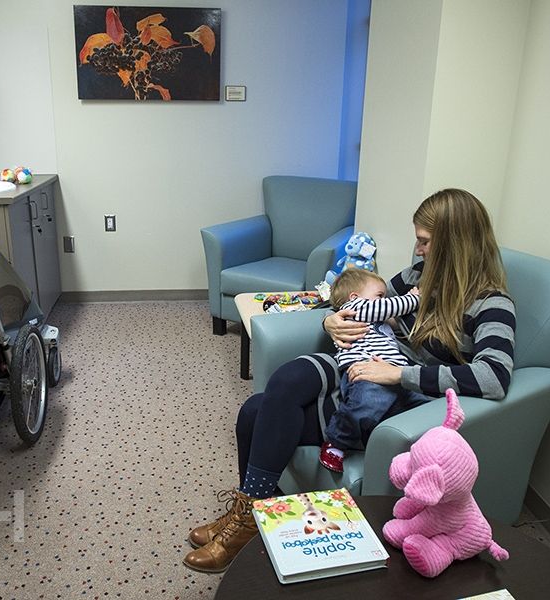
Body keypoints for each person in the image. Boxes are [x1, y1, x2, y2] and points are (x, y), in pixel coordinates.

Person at [182, 188, 516, 574]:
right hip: (363, 364)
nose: (418, 250)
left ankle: (250, 517)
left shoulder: (491, 303)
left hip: (395, 392)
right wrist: (330, 320)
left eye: (424, 242)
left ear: (454, 244)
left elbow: (494, 376)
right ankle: (253, 512)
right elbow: (360, 300)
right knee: (281, 385)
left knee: (257, 412)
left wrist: (399, 374)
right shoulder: (420, 276)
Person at [319, 268, 424, 473]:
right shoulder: (356, 308)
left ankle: (368, 438)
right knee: (368, 403)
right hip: (366, 372)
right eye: (379, 296)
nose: (384, 299)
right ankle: (336, 441)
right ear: (355, 297)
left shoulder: (374, 316)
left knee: (423, 403)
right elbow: (392, 306)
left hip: (395, 373)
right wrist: (414, 298)